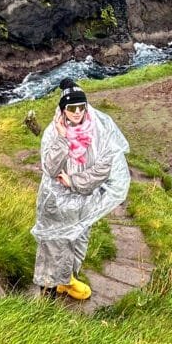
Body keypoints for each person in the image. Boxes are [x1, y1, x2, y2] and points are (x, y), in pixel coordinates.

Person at [32, 79, 130, 300]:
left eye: (81, 107)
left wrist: (74, 182)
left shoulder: (98, 131)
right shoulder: (52, 133)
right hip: (55, 204)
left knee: (78, 242)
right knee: (54, 247)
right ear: (63, 110)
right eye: (71, 108)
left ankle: (67, 281)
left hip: (84, 199)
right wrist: (64, 139)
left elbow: (105, 166)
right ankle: (46, 299)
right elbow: (50, 168)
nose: (77, 113)